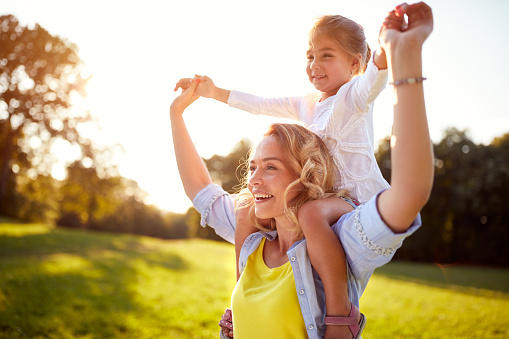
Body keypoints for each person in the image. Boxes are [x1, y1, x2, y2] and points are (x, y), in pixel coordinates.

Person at [170, 2, 434, 338]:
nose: (314, 65)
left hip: (354, 205)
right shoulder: (307, 105)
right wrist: (211, 93)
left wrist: (390, 50)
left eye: (326, 55)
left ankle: (340, 315)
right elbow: (261, 105)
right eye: (310, 55)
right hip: (319, 200)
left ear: (354, 62)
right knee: (245, 209)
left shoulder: (352, 96)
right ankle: (238, 300)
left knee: (309, 214)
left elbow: (374, 80)